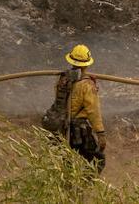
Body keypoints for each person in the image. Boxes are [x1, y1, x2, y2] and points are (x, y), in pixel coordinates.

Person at [45, 44, 106, 172]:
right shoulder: (87, 85)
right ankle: (82, 188)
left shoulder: (63, 79)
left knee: (66, 161)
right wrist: (100, 134)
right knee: (96, 161)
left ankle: (66, 186)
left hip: (62, 128)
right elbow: (93, 111)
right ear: (87, 64)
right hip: (79, 131)